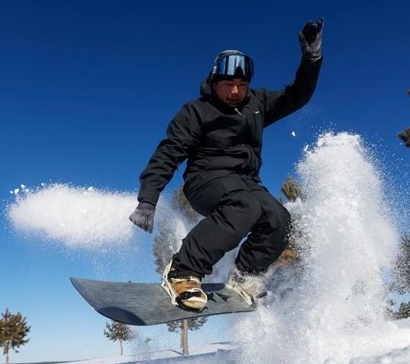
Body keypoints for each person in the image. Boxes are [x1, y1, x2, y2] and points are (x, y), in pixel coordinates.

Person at [129, 18, 324, 310]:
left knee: (278, 219)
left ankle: (245, 275)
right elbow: (168, 153)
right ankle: (181, 272)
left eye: (242, 84)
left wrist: (311, 59)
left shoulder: (258, 103)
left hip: (245, 183)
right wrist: (148, 199)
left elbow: (297, 95)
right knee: (244, 206)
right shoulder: (197, 111)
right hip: (205, 181)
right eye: (229, 84)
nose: (235, 91)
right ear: (214, 81)